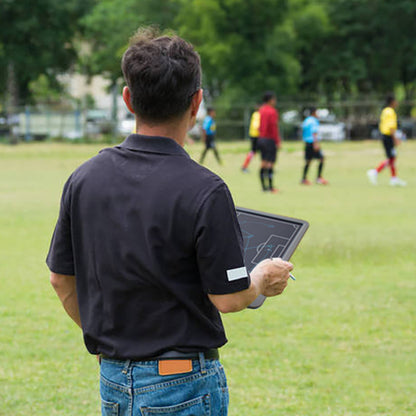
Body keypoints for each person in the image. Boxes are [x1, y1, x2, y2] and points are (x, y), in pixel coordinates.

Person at [46, 27, 293, 416]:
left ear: (128, 99)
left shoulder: (84, 178)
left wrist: (117, 348)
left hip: (112, 377)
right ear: (196, 103)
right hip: (183, 384)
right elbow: (228, 298)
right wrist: (262, 278)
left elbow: (61, 279)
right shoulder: (205, 189)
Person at [367, 95, 406, 186]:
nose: (397, 103)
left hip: (385, 136)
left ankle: (393, 178)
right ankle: (375, 172)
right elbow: (391, 127)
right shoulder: (391, 112)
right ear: (392, 102)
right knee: (391, 158)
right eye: (396, 101)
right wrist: (395, 139)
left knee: (392, 157)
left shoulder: (384, 111)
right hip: (388, 137)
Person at [257, 91, 281, 192]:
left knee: (263, 162)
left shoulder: (261, 110)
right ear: (270, 100)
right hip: (270, 139)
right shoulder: (272, 111)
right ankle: (271, 187)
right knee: (270, 163)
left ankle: (263, 187)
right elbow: (273, 127)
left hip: (261, 138)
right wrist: (277, 140)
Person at [300, 107, 329, 185]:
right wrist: (316, 144)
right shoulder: (314, 121)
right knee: (322, 159)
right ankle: (319, 178)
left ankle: (303, 179)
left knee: (308, 161)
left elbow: (303, 131)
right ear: (314, 113)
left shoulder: (306, 121)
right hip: (313, 142)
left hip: (307, 143)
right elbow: (314, 133)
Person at [241, 105, 260, 172]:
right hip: (256, 136)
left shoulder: (255, 114)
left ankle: (244, 166)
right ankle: (244, 166)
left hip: (254, 135)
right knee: (253, 152)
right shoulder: (257, 115)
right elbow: (256, 126)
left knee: (254, 152)